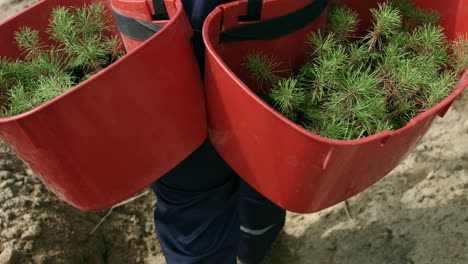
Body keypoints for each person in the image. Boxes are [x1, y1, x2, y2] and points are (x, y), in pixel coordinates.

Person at [150, 1, 287, 263]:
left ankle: (252, 250)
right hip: (276, 28)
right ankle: (254, 250)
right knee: (264, 167)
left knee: (194, 204)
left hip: (165, 35)